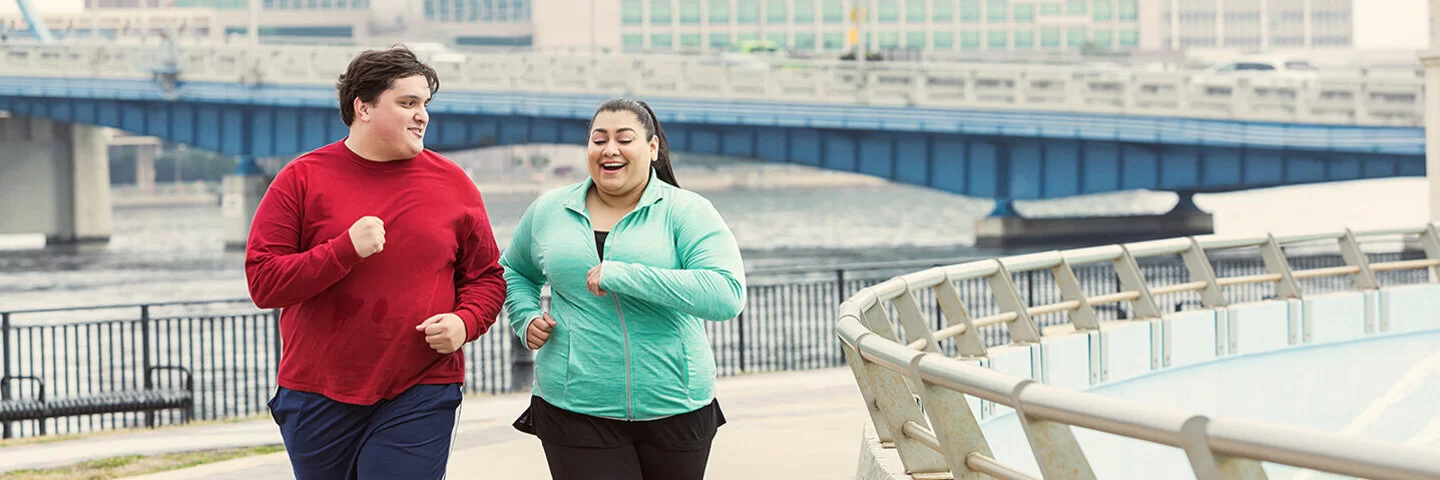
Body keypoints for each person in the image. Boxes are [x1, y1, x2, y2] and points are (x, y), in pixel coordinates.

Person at [244, 46, 506, 480]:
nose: (422, 115)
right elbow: (264, 283)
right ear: (362, 107)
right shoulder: (301, 178)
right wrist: (343, 249)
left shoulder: (455, 185)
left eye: (425, 104)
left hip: (421, 387)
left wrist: (465, 322)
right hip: (317, 393)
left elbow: (487, 279)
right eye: (407, 103)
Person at [502, 97, 747, 480]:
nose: (609, 149)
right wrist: (525, 315)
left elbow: (725, 294)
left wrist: (623, 275)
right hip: (575, 404)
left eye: (624, 138)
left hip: (676, 404)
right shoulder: (549, 209)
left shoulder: (686, 211)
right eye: (598, 140)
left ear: (652, 148)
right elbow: (515, 269)